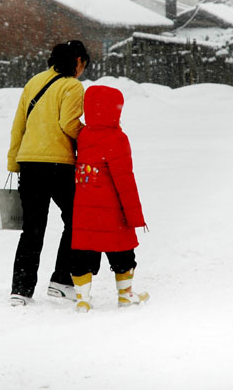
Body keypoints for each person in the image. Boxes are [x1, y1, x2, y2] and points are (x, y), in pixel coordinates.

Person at [7, 40, 90, 307]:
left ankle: (20, 290)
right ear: (77, 61)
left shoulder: (34, 81)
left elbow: (19, 124)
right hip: (59, 164)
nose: (82, 71)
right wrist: (90, 138)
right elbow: (69, 124)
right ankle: (61, 281)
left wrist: (13, 161)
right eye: (83, 65)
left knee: (32, 228)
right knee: (77, 220)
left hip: (29, 164)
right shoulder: (72, 86)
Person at [70, 84, 149, 312]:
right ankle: (125, 295)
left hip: (84, 209)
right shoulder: (117, 138)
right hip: (112, 210)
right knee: (122, 251)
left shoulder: (83, 135)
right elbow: (125, 181)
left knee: (83, 251)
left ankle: (83, 299)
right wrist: (135, 217)